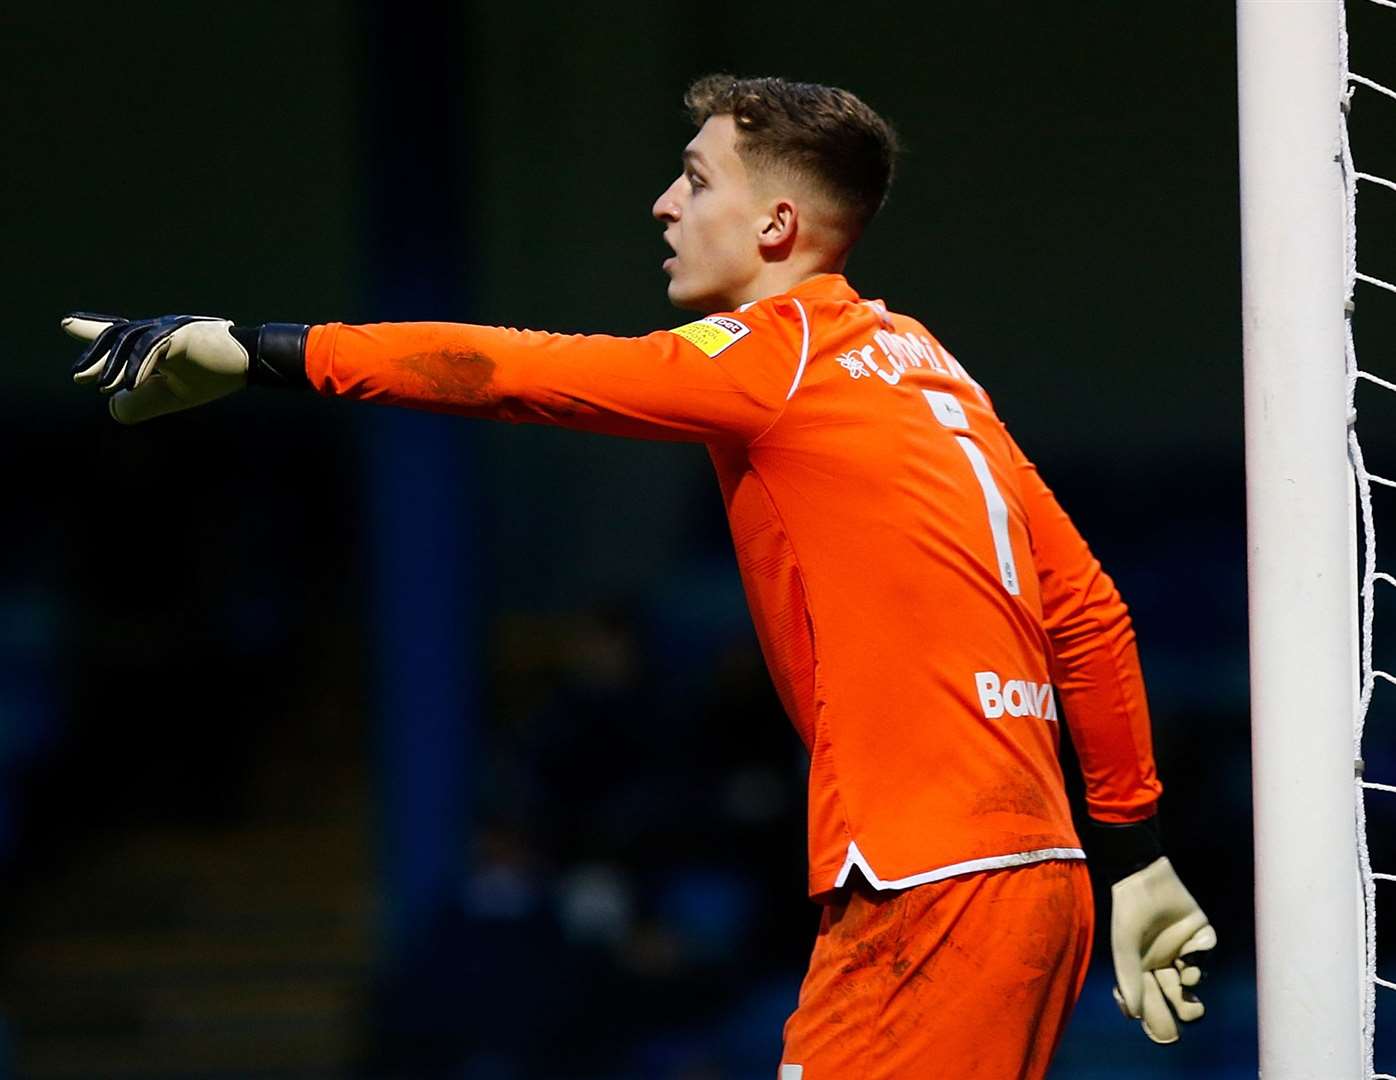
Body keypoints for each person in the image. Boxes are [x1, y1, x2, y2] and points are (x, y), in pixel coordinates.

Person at [63, 75, 1214, 1078]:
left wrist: (254, 348)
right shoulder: (929, 368)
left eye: (694, 180)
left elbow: (515, 372)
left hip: (926, 879)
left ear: (773, 221)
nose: (665, 205)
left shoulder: (777, 357)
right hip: (1027, 869)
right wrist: (1134, 848)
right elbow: (1088, 612)